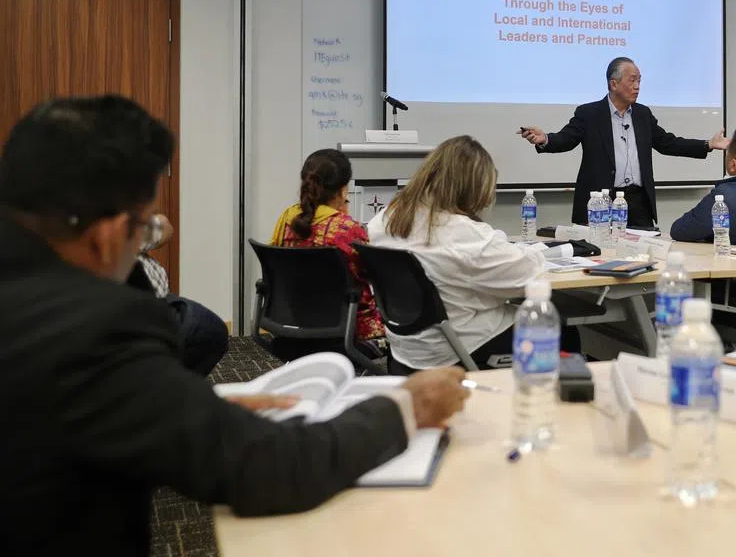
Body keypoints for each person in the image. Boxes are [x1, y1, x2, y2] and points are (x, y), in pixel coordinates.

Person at [0, 95, 470, 555]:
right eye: (144, 229)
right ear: (106, 236)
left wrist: (185, 404)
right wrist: (407, 406)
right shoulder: (96, 330)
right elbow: (268, 466)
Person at [369, 135, 581, 372]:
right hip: (457, 349)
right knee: (564, 331)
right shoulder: (464, 235)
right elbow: (530, 276)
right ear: (474, 188)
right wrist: (519, 249)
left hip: (408, 349)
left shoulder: (384, 220)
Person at [519, 56, 729, 228]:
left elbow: (667, 143)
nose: (637, 86)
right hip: (600, 202)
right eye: (632, 80)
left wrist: (707, 144)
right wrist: (545, 139)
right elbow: (566, 139)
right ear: (614, 83)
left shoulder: (642, 114)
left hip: (638, 203)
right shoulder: (589, 113)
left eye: (639, 81)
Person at [271, 149, 386, 355]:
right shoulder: (347, 228)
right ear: (343, 189)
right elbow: (370, 277)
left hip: (291, 325)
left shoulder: (287, 218)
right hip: (347, 331)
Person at [125, 213, 230, 376]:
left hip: (159, 307)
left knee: (208, 328)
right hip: (143, 317)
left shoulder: (122, 228)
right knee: (209, 331)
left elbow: (166, 227)